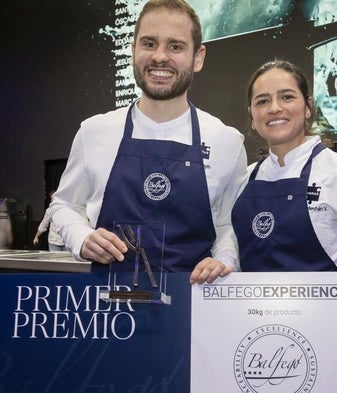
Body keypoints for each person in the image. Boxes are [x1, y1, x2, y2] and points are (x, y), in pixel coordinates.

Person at [50, 0, 247, 284]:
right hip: (109, 312)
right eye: (149, 44)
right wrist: (81, 238)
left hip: (194, 307)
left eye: (175, 47)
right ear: (133, 50)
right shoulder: (94, 131)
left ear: (198, 57)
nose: (160, 57)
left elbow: (227, 224)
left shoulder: (226, 140)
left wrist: (223, 261)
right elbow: (64, 205)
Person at [229, 60, 337, 340]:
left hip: (322, 331)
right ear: (252, 115)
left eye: (287, 97)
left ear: (307, 106)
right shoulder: (243, 182)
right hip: (250, 327)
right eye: (262, 101)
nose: (274, 108)